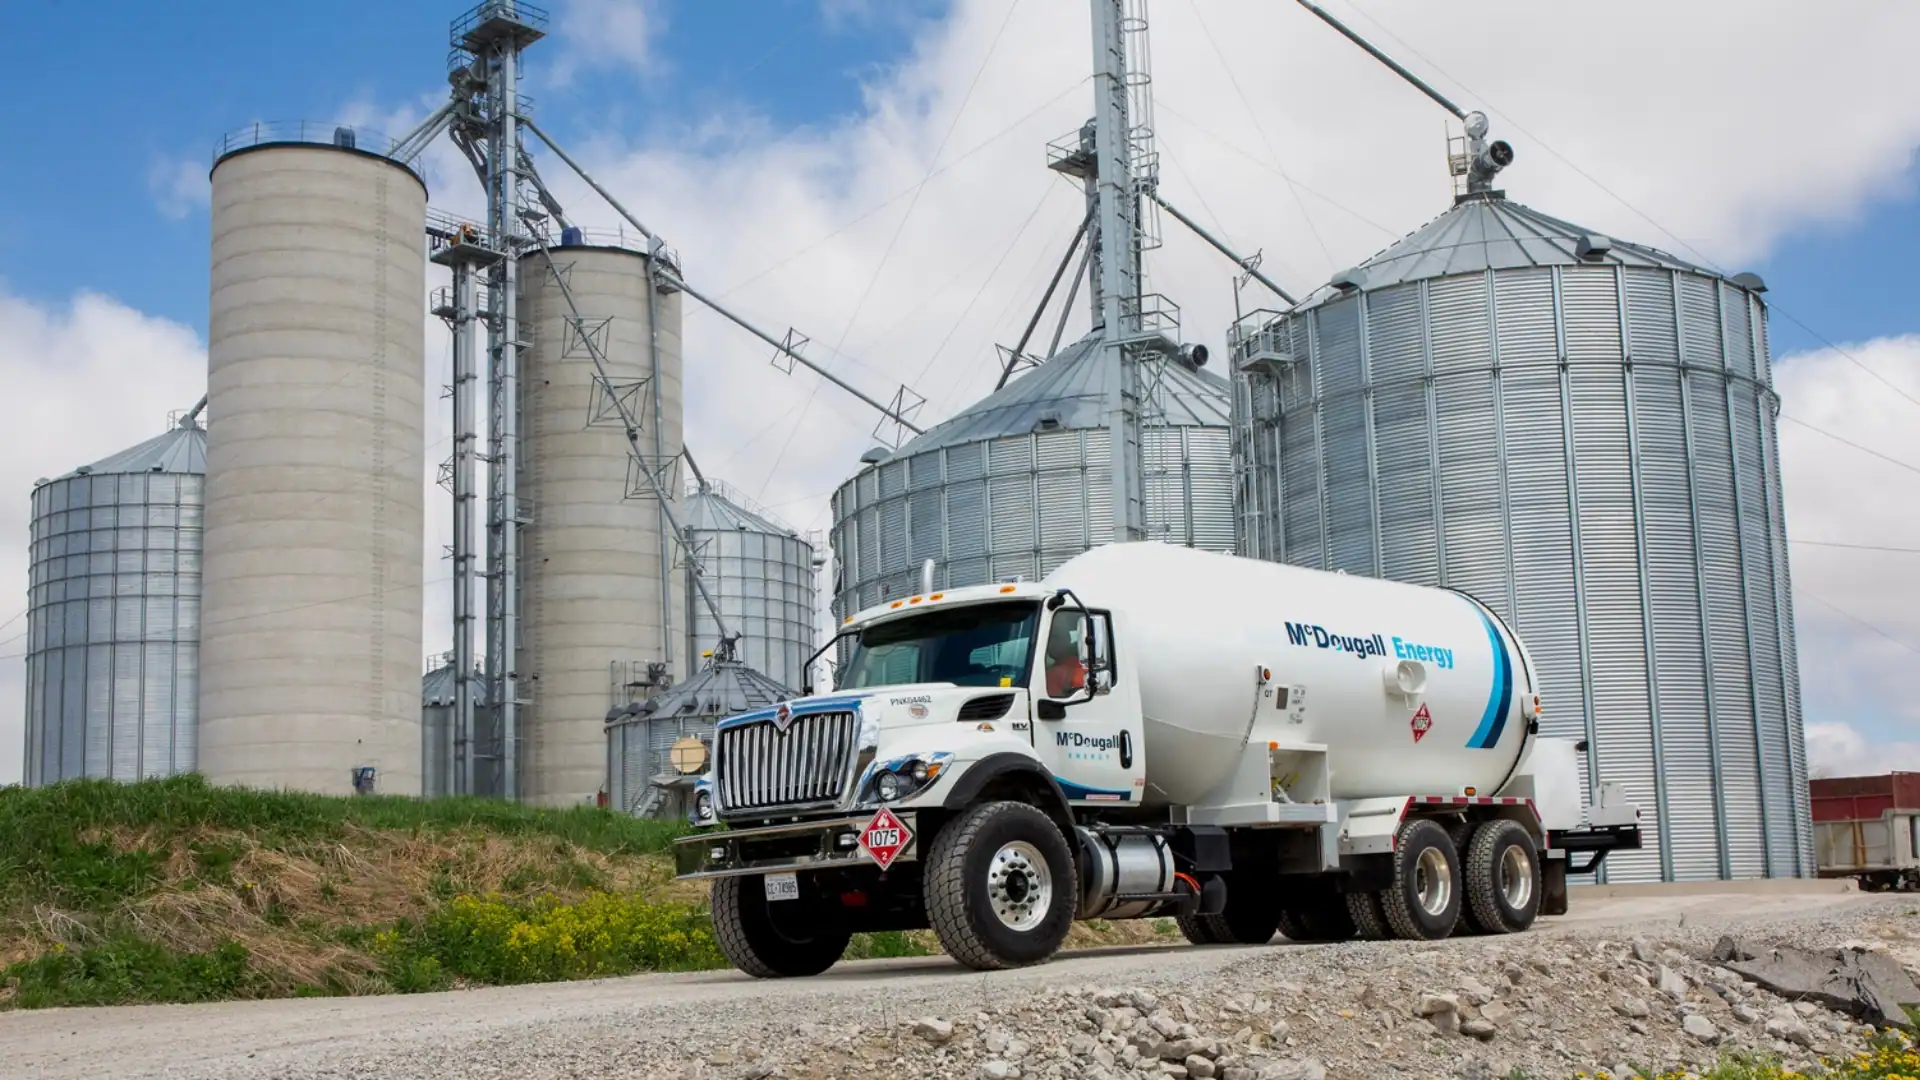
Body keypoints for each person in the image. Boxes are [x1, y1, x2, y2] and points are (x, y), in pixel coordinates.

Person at [1044, 613, 1088, 698]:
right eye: (1048, 638)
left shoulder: (1078, 669)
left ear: (1068, 639)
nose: (1050, 642)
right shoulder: (1050, 668)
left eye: (1055, 637)